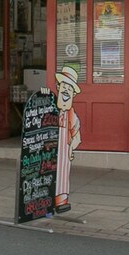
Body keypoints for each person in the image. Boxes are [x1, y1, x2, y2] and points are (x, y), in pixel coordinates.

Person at [54, 65, 82, 214]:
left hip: (64, 152)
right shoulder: (52, 106)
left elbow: (77, 135)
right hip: (50, 149)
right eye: (64, 86)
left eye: (70, 89)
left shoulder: (71, 114)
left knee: (63, 176)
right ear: (58, 87)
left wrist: (72, 147)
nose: (66, 91)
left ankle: (61, 201)